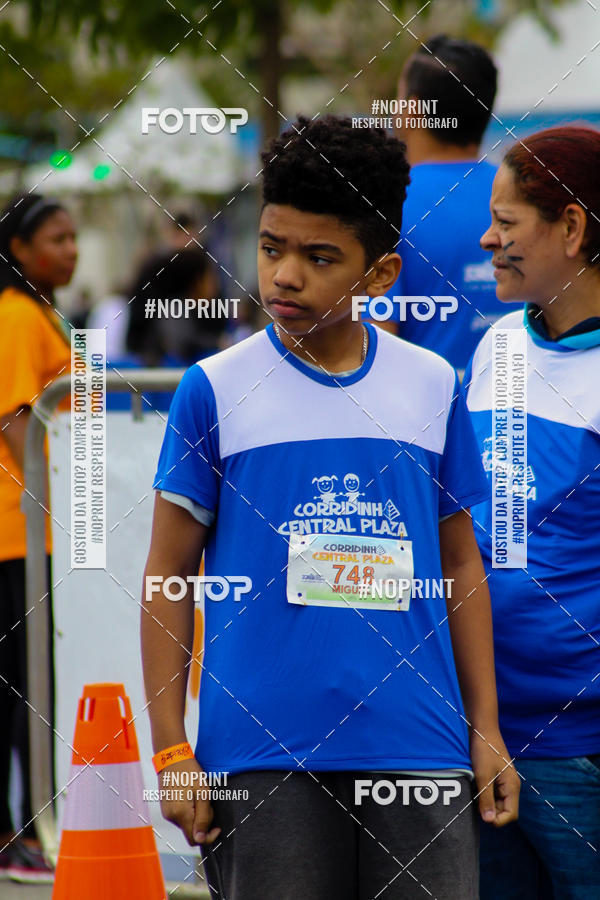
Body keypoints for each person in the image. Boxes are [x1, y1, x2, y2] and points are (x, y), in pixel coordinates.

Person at [141, 115, 519, 900]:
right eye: (273, 247)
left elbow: (459, 563)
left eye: (319, 259)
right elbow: (169, 577)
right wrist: (173, 750)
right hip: (262, 756)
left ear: (380, 275)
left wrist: (485, 731)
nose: (283, 276)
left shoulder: (429, 386)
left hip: (420, 753)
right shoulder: (212, 390)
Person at [464, 126, 600, 898]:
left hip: (580, 748)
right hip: (481, 735)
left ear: (572, 227)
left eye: (507, 222)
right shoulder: (497, 345)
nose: (486, 238)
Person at [0, 192, 76, 882]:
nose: (72, 249)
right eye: (57, 238)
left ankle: (21, 829)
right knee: (25, 689)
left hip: (29, 533)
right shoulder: (19, 315)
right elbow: (18, 419)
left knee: (28, 688)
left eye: (74, 237)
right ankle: (17, 833)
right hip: (17, 537)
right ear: (20, 248)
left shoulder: (39, 310)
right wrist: (56, 510)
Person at [366, 35, 509, 372]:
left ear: (413, 109)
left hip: (431, 421)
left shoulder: (386, 203)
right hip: (521, 417)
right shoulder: (527, 195)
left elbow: (375, 348)